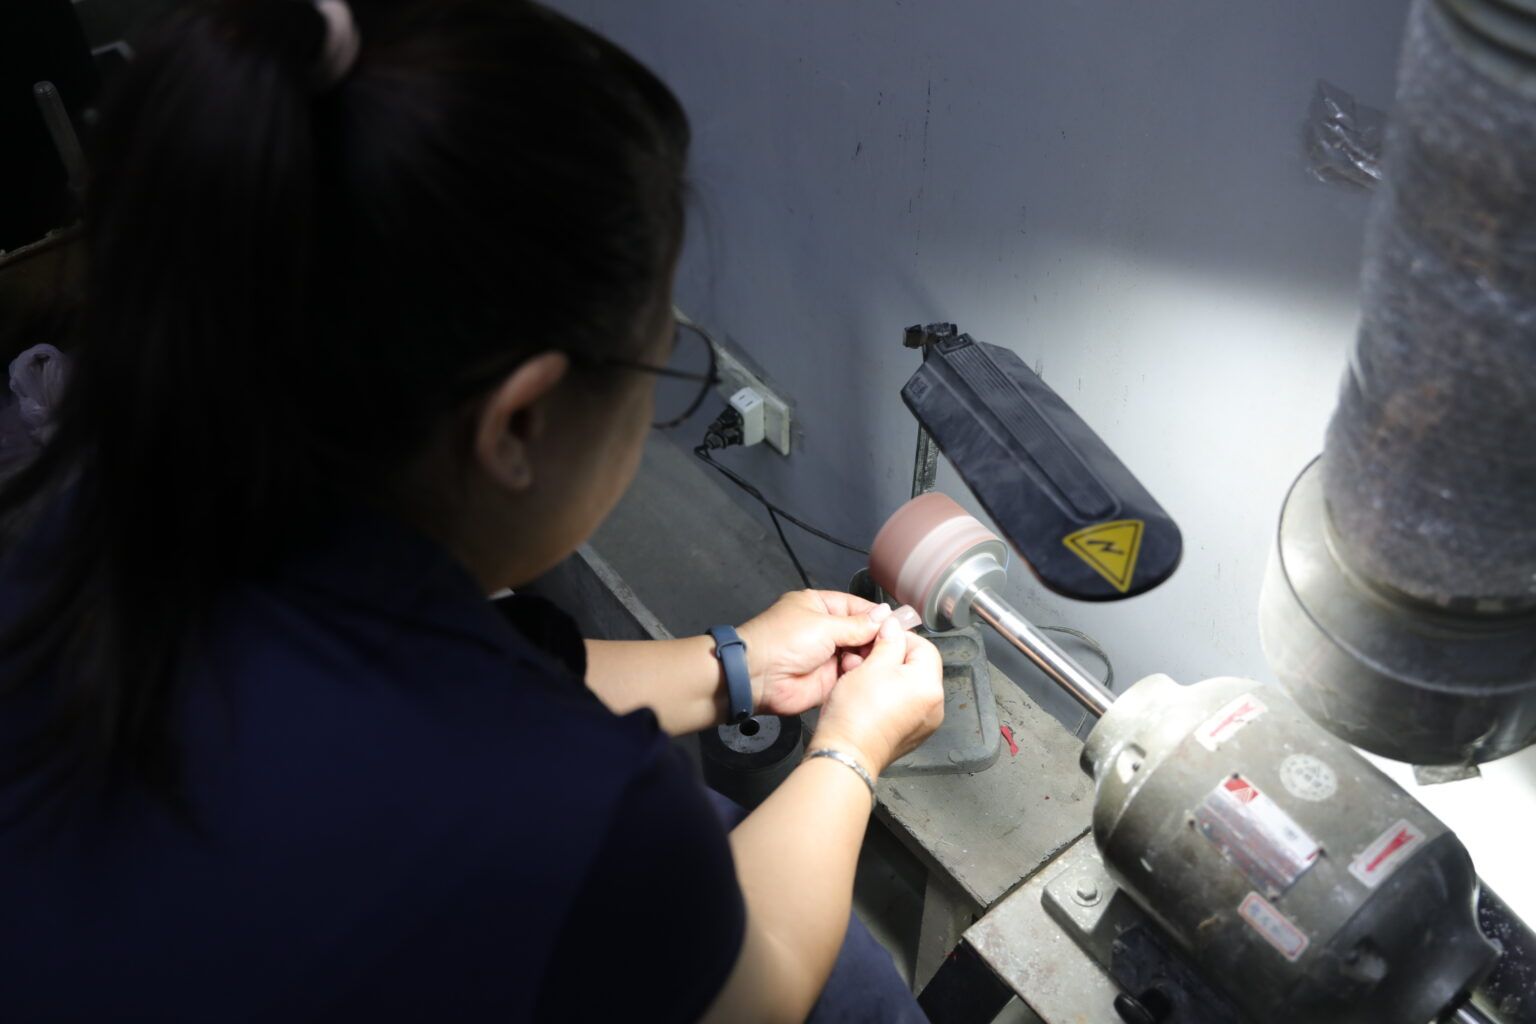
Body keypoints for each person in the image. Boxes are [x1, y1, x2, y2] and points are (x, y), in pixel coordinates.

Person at [0, 1, 946, 1021]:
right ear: (519, 424)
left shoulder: (107, 516)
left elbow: (475, 672)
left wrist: (732, 666)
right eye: (655, 367)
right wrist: (852, 748)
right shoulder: (559, 808)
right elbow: (751, 994)